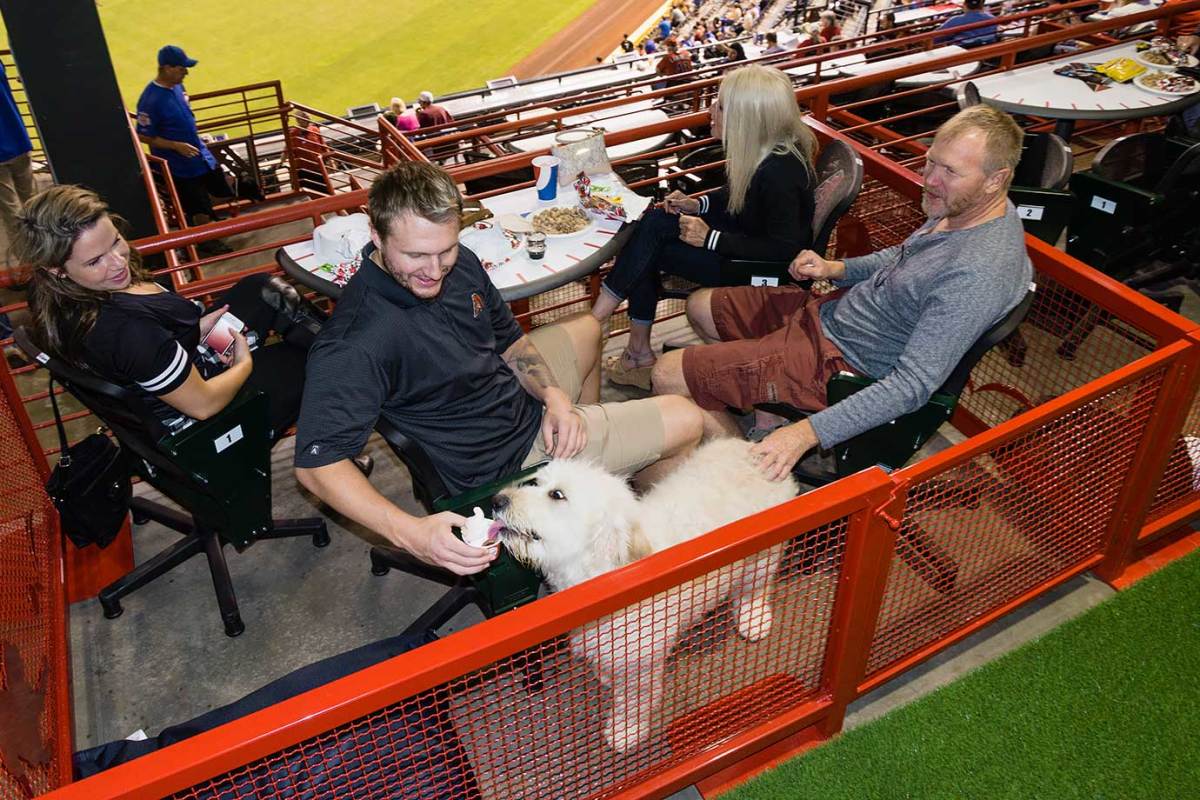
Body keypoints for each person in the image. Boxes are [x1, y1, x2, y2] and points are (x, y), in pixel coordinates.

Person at [292, 162, 704, 576]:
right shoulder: (354, 344)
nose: (434, 271)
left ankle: (585, 477)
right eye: (415, 255)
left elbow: (510, 342)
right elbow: (317, 465)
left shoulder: (462, 262)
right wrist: (411, 533)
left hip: (506, 397)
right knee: (688, 420)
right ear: (377, 236)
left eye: (445, 251)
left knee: (587, 328)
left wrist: (555, 398)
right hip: (501, 456)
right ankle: (641, 559)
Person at [651, 105, 1033, 480]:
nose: (929, 179)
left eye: (950, 171)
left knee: (668, 375)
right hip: (830, 313)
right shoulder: (967, 205)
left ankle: (757, 468)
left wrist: (806, 434)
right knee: (702, 306)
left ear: (995, 179)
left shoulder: (977, 271)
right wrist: (836, 269)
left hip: (840, 360)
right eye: (931, 161)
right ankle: (765, 407)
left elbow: (912, 386)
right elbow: (901, 257)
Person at [14, 185, 367, 463]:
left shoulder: (61, 298)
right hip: (202, 425)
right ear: (57, 270)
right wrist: (244, 363)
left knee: (260, 289)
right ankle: (350, 418)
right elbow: (204, 405)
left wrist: (193, 329)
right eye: (95, 261)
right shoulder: (125, 331)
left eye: (116, 242)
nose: (118, 262)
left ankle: (359, 358)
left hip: (181, 374)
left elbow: (149, 351)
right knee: (318, 362)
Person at [590, 64, 818, 390]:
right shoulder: (765, 152)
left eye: (722, 105)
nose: (711, 110)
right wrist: (698, 205)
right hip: (741, 248)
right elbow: (735, 198)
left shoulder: (780, 172)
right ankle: (627, 344)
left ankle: (606, 327)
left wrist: (710, 238)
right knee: (653, 224)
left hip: (757, 270)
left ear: (747, 118)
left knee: (648, 240)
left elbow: (784, 250)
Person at [135, 45, 233, 253]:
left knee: (221, 189)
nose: (186, 73)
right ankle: (204, 238)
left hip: (200, 154)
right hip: (180, 165)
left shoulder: (178, 88)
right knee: (196, 202)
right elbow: (143, 134)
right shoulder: (150, 100)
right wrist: (175, 146)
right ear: (167, 68)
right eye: (182, 68)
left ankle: (201, 222)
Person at [0, 60, 35, 273]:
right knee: (32, 202)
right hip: (17, 140)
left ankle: (29, 266)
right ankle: (47, 252)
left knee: (11, 211)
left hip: (11, 146)